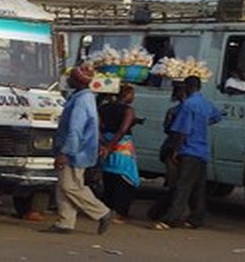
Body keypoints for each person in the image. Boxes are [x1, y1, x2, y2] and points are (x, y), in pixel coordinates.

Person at [44, 65, 113, 234]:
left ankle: (102, 212)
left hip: (76, 152)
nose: (68, 80)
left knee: (70, 186)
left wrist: (65, 153)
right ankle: (65, 222)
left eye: (71, 77)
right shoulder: (82, 97)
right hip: (79, 150)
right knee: (63, 186)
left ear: (78, 81)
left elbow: (75, 129)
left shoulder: (81, 100)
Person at [154, 75, 222, 230]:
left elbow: (182, 131)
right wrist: (203, 124)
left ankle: (171, 218)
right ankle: (196, 218)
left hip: (189, 148)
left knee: (182, 185)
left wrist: (176, 150)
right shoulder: (204, 103)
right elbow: (217, 116)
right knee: (198, 186)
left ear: (187, 86)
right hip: (202, 149)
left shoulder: (188, 105)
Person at [97, 84, 140, 222]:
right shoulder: (128, 110)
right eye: (132, 94)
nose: (133, 98)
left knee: (109, 178)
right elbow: (122, 130)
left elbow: (97, 127)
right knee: (126, 179)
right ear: (126, 95)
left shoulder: (103, 108)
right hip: (121, 148)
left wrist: (104, 143)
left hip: (105, 145)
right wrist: (111, 146)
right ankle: (119, 212)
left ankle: (106, 209)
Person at [147, 80, 188, 221]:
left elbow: (167, 129)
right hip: (178, 150)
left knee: (174, 184)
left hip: (171, 149)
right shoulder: (184, 110)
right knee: (178, 184)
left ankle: (161, 212)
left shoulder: (173, 111)